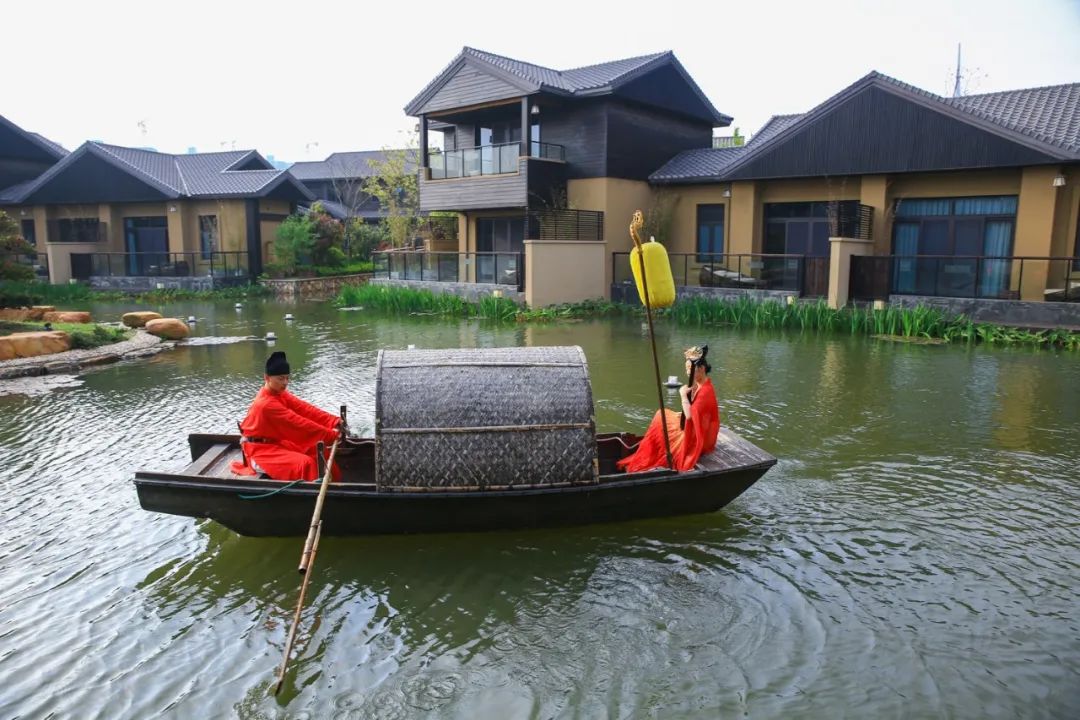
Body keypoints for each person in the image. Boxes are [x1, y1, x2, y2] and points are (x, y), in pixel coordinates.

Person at [230, 351, 343, 481]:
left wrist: (333, 421)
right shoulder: (266, 404)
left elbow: (304, 408)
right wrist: (331, 435)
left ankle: (335, 485)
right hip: (259, 451)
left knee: (316, 450)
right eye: (280, 378)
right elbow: (298, 423)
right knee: (306, 464)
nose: (285, 382)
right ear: (267, 378)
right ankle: (315, 495)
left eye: (287, 378)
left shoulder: (279, 393)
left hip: (275, 443)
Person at [617, 345, 720, 473]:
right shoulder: (701, 384)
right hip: (696, 428)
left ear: (702, 368)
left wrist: (683, 395)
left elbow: (689, 416)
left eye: (690, 368)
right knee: (662, 415)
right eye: (686, 368)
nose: (688, 372)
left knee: (661, 417)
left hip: (700, 438)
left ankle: (656, 455)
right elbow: (698, 412)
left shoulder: (705, 391)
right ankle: (655, 453)